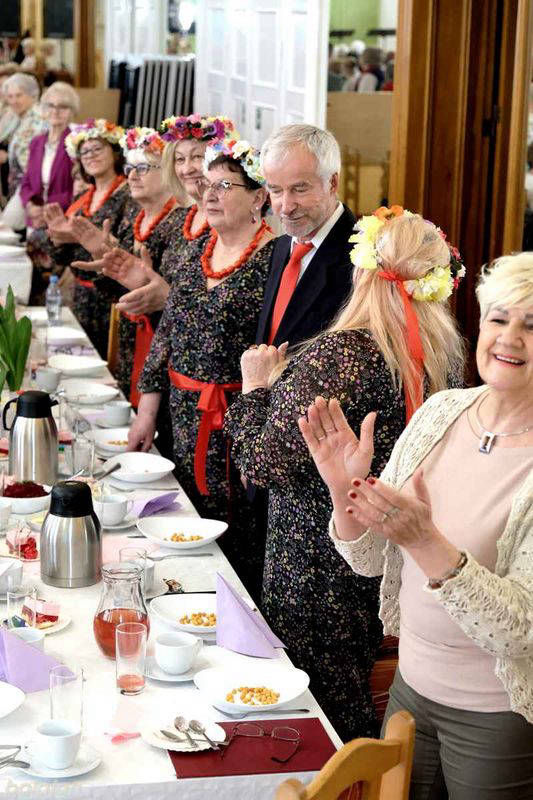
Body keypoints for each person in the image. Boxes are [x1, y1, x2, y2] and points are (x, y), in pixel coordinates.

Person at [225, 209, 466, 742]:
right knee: (356, 690)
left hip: (316, 560)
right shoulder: (444, 359)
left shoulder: (339, 355)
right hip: (391, 554)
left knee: (314, 709)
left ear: (360, 272)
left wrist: (255, 388)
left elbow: (262, 463)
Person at [299, 251, 533, 798]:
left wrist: (426, 541)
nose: (509, 338)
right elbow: (369, 560)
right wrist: (344, 490)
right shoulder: (440, 412)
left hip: (496, 716)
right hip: (410, 689)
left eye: (532, 325)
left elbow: (521, 631)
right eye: (500, 318)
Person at [134, 140, 274, 594]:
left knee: (237, 531)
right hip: (183, 414)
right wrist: (146, 412)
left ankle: (229, 609)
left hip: (238, 416)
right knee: (188, 518)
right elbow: (166, 334)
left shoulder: (275, 260)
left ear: (258, 197)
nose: (209, 194)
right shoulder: (198, 254)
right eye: (208, 185)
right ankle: (188, 597)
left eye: (225, 186)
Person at [99, 114, 237, 316]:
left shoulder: (229, 223)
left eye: (197, 157)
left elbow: (226, 312)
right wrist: (142, 281)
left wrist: (168, 299)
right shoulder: (182, 219)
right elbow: (161, 288)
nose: (187, 169)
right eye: (180, 159)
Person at [44, 118, 127, 358]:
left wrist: (79, 237)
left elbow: (124, 245)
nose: (90, 156)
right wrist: (58, 237)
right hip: (80, 295)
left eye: (97, 149)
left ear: (114, 152)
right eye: (85, 152)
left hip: (109, 298)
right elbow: (60, 258)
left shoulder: (127, 194)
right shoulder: (83, 197)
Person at [20, 81, 78, 303]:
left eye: (62, 106)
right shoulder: (37, 142)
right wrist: (29, 204)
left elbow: (76, 191)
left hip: (59, 223)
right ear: (43, 109)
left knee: (50, 289)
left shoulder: (74, 144)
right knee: (30, 284)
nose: (55, 111)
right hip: (34, 220)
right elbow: (26, 182)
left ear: (72, 111)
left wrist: (46, 210)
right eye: (50, 105)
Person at [0, 72, 44, 229]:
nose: (13, 101)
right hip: (20, 184)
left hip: (31, 187)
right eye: (10, 96)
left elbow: (31, 164)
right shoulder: (19, 117)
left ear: (32, 95)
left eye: (19, 95)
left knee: (8, 225)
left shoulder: (36, 119)